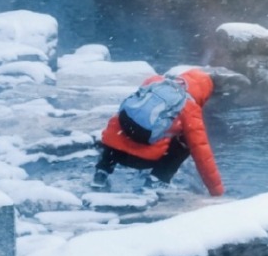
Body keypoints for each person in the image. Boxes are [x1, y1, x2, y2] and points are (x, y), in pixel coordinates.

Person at [95, 64, 224, 190]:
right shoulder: (190, 108)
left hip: (113, 150)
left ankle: (102, 170)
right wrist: (216, 190)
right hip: (143, 160)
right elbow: (203, 155)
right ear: (204, 94)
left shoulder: (153, 82)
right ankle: (158, 178)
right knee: (186, 142)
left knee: (125, 119)